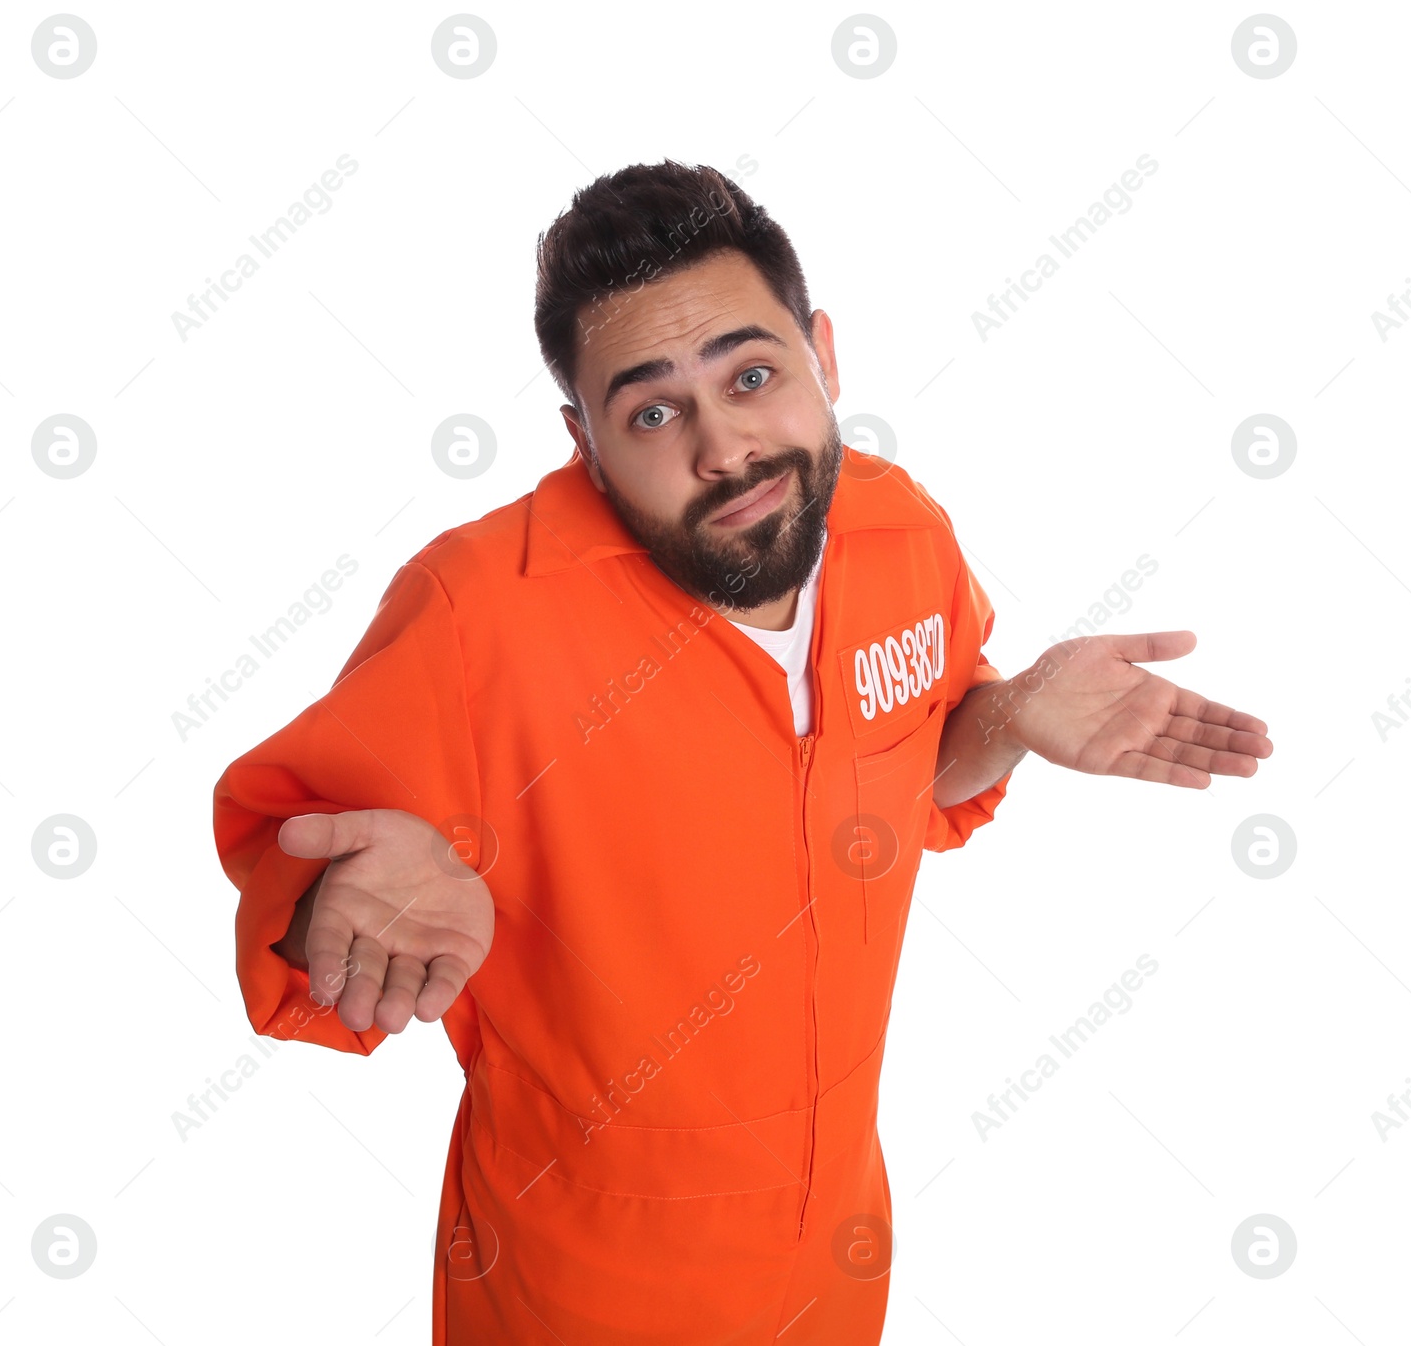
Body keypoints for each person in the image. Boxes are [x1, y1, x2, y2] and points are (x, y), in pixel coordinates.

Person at [211, 159, 1272, 1344]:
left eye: (753, 375)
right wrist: (336, 900)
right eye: (653, 410)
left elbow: (900, 768)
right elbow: (291, 858)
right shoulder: (477, 611)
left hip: (835, 1254)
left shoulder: (900, 530)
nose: (724, 448)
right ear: (585, 439)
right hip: (583, 1286)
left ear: (823, 352)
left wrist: (1008, 717)